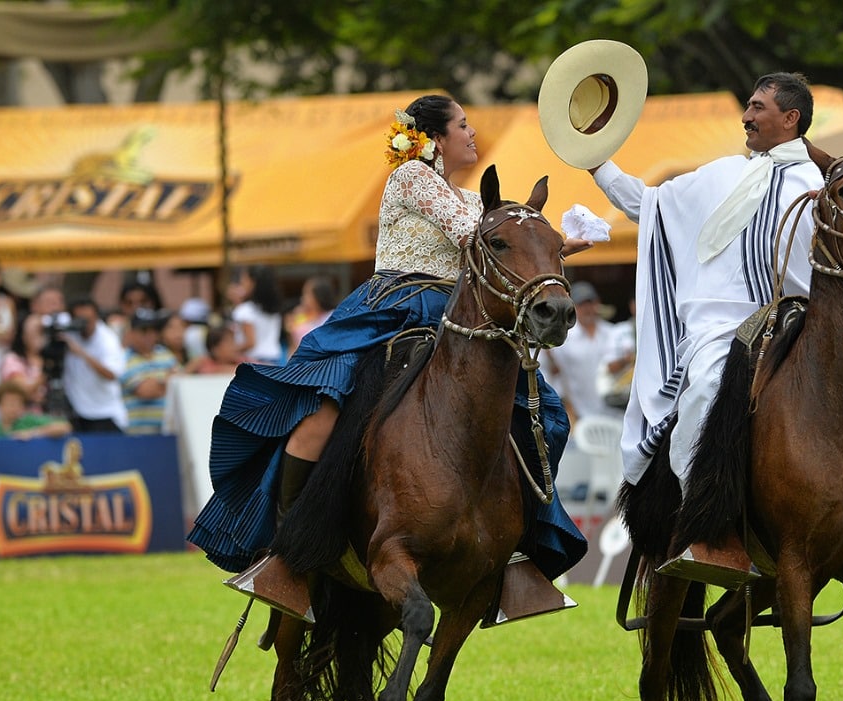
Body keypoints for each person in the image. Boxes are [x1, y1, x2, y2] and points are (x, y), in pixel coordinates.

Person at [188, 94, 591, 621]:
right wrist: (536, 231)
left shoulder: (470, 197)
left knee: (545, 417)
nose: (473, 134)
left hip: (454, 322)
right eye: (464, 126)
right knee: (321, 407)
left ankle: (516, 551)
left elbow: (506, 246)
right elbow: (479, 236)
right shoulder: (413, 179)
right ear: (435, 138)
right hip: (390, 311)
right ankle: (285, 553)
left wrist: (560, 245)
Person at [586, 71, 843, 580]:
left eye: (757, 107)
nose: (746, 116)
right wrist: (599, 164)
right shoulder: (719, 175)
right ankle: (708, 529)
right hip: (728, 323)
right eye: (749, 107)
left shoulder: (829, 183)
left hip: (818, 315)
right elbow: (651, 206)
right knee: (705, 386)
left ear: (790, 118)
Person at [541, 280, 622, 423]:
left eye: (590, 303)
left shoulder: (613, 333)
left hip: (614, 413)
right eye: (581, 305)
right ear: (573, 307)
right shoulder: (563, 338)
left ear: (597, 303)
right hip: (577, 417)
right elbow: (553, 373)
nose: (587, 309)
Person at [60, 296, 127, 432]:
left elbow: (111, 374)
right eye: (80, 319)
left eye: (88, 319)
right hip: (76, 412)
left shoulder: (107, 339)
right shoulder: (68, 332)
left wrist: (82, 353)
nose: (85, 324)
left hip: (104, 413)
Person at [121, 308, 180, 435]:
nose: (150, 335)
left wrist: (158, 383)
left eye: (153, 330)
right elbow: (146, 391)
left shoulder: (166, 355)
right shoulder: (124, 359)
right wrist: (166, 379)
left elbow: (179, 383)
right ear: (131, 333)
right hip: (139, 432)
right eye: (144, 330)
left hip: (168, 428)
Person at [227, 265, 285, 364]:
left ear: (252, 283)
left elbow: (250, 343)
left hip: (254, 361)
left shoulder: (244, 310)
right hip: (275, 359)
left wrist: (230, 351)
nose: (242, 284)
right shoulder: (275, 309)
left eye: (244, 280)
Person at [0, 379, 71, 440]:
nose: (13, 407)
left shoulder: (29, 421)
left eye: (17, 403)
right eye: (10, 403)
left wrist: (33, 433)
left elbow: (64, 427)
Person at [286, 275, 338, 352]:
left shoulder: (331, 317)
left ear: (318, 296)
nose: (303, 298)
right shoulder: (301, 316)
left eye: (307, 294)